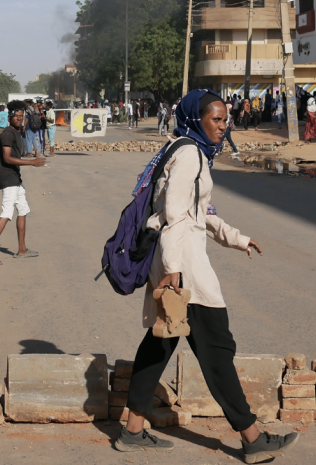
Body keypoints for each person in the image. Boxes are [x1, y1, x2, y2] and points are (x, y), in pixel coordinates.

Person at [115, 90, 297, 461]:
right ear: (197, 119)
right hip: (183, 266)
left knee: (161, 342)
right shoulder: (189, 155)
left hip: (174, 262)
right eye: (216, 119)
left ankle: (133, 429)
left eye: (225, 118)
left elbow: (201, 212)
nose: (223, 125)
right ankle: (252, 436)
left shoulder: (186, 149)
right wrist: (174, 271)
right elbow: (176, 216)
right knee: (216, 348)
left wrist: (236, 238)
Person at [0, 100, 45, 265]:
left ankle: (22, 250)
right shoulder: (7, 133)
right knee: (7, 213)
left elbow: (1, 160)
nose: (19, 119)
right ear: (10, 117)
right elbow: (6, 158)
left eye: (21, 116)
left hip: (13, 178)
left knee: (23, 209)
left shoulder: (16, 133)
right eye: (17, 116)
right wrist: (32, 163)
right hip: (10, 179)